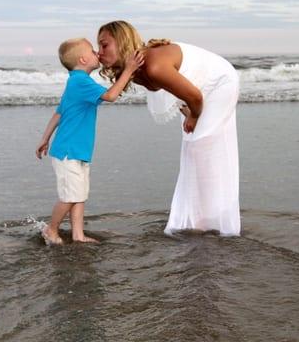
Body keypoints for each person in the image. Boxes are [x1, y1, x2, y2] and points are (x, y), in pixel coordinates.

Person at [97, 20, 240, 236]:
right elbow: (181, 87)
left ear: (122, 42)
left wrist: (193, 115)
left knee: (200, 147)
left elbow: (194, 96)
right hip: (199, 88)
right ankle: (201, 216)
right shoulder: (136, 69)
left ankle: (212, 219)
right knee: (194, 149)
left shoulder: (153, 66)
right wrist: (189, 110)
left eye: (104, 45)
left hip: (221, 82)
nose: (99, 53)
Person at [36, 37, 143, 245]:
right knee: (69, 196)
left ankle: (78, 234)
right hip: (69, 151)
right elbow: (111, 96)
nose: (98, 53)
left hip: (77, 150)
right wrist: (129, 70)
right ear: (84, 59)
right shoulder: (81, 81)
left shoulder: (74, 81)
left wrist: (45, 138)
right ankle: (51, 229)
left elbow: (59, 112)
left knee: (79, 194)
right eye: (94, 51)